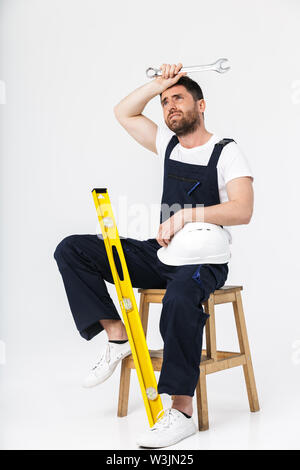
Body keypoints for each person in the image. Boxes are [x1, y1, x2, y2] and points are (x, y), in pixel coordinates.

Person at [54, 62, 254, 448]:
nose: (169, 107)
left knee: (181, 298)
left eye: (178, 98)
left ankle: (180, 411)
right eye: (165, 103)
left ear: (202, 104)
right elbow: (123, 112)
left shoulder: (226, 152)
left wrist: (185, 216)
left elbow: (243, 209)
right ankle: (117, 337)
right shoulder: (169, 144)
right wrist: (157, 84)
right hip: (162, 252)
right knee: (73, 249)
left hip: (203, 262)